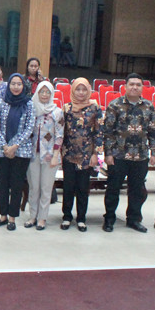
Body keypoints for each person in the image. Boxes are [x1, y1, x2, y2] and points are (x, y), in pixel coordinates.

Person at [102, 73, 155, 233]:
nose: (134, 87)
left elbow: (153, 132)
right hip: (118, 155)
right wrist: (108, 153)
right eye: (131, 84)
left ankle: (133, 219)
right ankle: (109, 219)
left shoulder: (148, 106)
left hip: (140, 156)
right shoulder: (115, 105)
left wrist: (154, 153)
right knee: (113, 188)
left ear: (142, 87)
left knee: (137, 190)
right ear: (125, 86)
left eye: (138, 85)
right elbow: (108, 132)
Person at [0, 73, 34, 230]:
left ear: (23, 86)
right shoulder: (1, 102)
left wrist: (14, 146)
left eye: (19, 84)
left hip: (21, 151)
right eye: (13, 84)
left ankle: (12, 218)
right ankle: (3, 216)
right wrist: (5, 146)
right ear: (8, 86)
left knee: (16, 185)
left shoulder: (28, 104)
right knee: (2, 184)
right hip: (1, 151)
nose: (16, 87)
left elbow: (29, 127)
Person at [60, 77, 102, 232]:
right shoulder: (66, 108)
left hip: (86, 155)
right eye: (78, 89)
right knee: (68, 187)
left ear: (89, 90)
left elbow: (99, 132)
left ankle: (81, 219)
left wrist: (95, 154)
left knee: (83, 188)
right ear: (73, 90)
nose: (81, 92)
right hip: (69, 154)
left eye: (84, 89)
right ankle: (66, 217)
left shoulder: (95, 108)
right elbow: (61, 132)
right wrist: (58, 152)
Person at [25, 81, 64, 229]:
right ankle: (32, 216)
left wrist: (55, 155)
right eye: (42, 91)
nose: (45, 95)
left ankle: (42, 218)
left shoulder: (57, 112)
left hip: (50, 156)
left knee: (46, 188)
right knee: (34, 187)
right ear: (37, 93)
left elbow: (59, 135)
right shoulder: (31, 109)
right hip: (32, 155)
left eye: (48, 92)